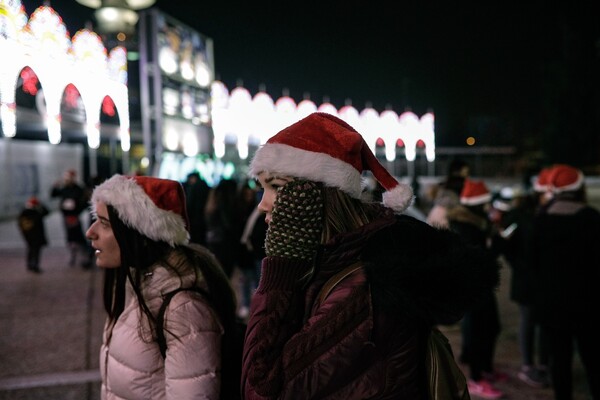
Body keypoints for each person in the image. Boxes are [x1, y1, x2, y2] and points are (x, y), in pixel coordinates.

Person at [242, 112, 500, 399]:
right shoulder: (337, 261)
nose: (263, 205)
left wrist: (281, 272)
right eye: (261, 187)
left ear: (319, 195)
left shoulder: (362, 287)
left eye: (276, 187)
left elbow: (261, 388)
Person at [86, 174, 240, 399]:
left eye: (105, 224)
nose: (91, 232)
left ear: (141, 233)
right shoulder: (133, 283)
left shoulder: (183, 310)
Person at [530, 164, 600, 400]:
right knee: (592, 358)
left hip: (551, 305)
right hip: (588, 304)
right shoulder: (592, 219)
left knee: (560, 361)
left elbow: (532, 264)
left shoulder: (540, 222)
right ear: (580, 189)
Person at [447, 179, 506, 399]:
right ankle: (475, 378)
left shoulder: (475, 223)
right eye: (486, 203)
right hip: (473, 287)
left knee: (491, 327)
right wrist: (499, 241)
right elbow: (482, 258)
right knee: (477, 331)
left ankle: (486, 369)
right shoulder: (466, 228)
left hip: (481, 285)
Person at [490, 185, 550, 388]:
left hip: (524, 280)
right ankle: (538, 365)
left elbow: (501, 250)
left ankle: (531, 365)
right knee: (538, 323)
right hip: (538, 279)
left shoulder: (513, 222)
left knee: (530, 322)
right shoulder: (533, 218)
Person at [50, 169, 92, 268]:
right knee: (70, 237)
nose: (67, 180)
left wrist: (77, 209)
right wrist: (55, 186)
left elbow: (85, 201)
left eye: (69, 178)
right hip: (66, 216)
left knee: (79, 236)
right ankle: (73, 256)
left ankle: (85, 256)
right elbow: (53, 195)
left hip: (75, 215)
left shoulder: (78, 189)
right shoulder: (64, 188)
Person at [426, 158, 470, 228]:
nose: (467, 175)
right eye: (466, 172)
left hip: (434, 213)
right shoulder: (462, 185)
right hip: (447, 217)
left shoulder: (443, 184)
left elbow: (430, 195)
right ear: (458, 171)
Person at [17, 196, 49, 273]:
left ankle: (30, 264)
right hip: (34, 235)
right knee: (35, 250)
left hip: (30, 235)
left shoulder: (25, 212)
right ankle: (34, 265)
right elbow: (46, 212)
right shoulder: (35, 212)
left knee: (31, 249)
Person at [182, 171, 210, 245]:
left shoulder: (194, 187)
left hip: (194, 218)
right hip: (203, 218)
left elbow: (190, 203)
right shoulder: (206, 186)